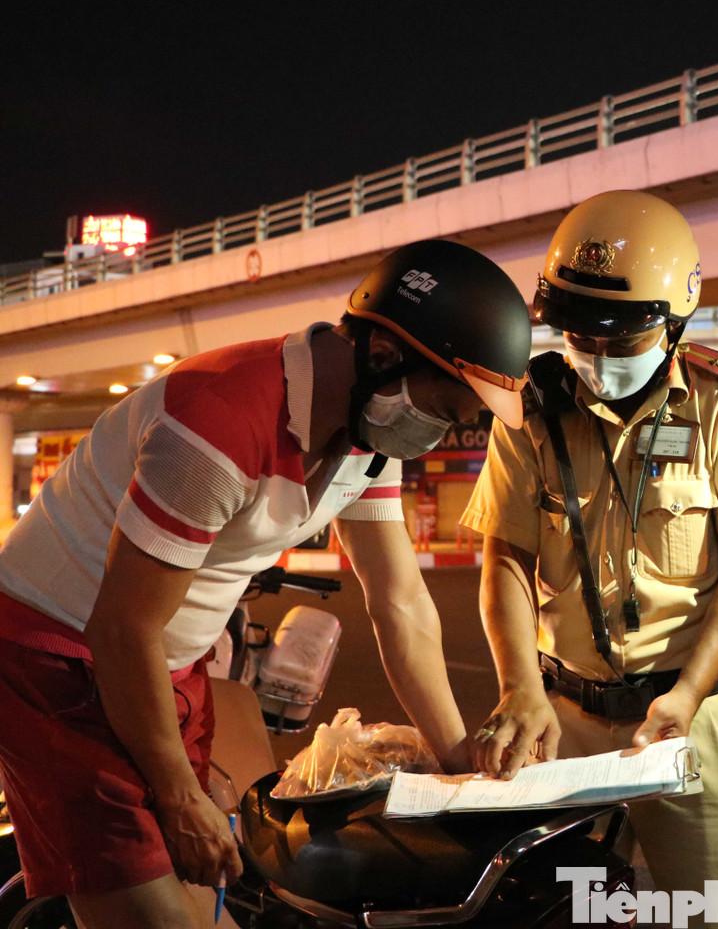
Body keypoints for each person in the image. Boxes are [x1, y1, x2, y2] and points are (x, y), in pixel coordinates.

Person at [0, 239, 532, 929]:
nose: (442, 433)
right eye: (445, 409)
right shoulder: (219, 422)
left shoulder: (369, 434)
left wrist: (459, 762)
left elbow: (399, 601)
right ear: (383, 357)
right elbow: (121, 630)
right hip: (57, 659)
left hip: (166, 662)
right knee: (155, 914)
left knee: (208, 892)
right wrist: (179, 798)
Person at [462, 190, 718, 926]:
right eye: (576, 333)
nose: (594, 356)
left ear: (672, 320)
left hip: (692, 713)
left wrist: (688, 693)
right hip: (559, 716)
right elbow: (504, 559)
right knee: (545, 912)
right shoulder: (530, 410)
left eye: (619, 338)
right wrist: (518, 687)